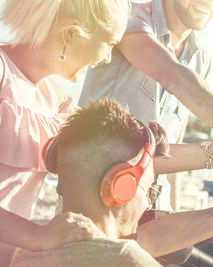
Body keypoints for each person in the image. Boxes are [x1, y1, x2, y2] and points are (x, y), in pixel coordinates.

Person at [11, 98, 213, 266]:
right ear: (121, 186)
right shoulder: (127, 258)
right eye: (152, 189)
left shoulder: (24, 254)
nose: (150, 203)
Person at [78, 0, 213, 211]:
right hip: (96, 200)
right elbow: (172, 75)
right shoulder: (128, 18)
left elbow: (174, 145)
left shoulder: (201, 58)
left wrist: (171, 211)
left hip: (150, 212)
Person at [0, 0, 129, 265]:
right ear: (71, 33)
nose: (107, 58)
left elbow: (121, 151)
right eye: (110, 43)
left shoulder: (56, 101)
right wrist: (36, 235)